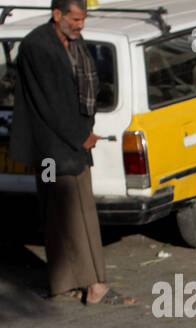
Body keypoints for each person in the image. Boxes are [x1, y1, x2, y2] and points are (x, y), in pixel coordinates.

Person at [9, 0, 121, 305]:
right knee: (59, 207)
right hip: (48, 150)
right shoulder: (37, 46)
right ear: (57, 15)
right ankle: (77, 282)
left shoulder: (72, 39)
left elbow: (85, 88)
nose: (79, 25)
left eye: (82, 19)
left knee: (77, 208)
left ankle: (84, 281)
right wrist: (81, 136)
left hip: (69, 145)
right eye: (74, 18)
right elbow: (50, 102)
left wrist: (83, 133)